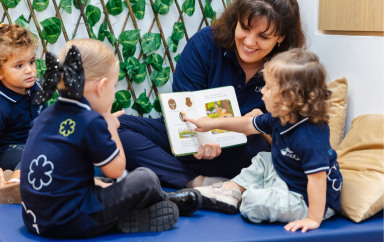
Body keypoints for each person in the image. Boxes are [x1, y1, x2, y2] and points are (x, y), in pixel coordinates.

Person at [19, 39, 201, 239]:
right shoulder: (90, 120)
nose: (113, 95)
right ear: (101, 87)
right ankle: (152, 204)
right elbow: (117, 169)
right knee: (145, 179)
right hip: (72, 221)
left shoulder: (47, 115)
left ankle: (131, 213)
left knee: (102, 181)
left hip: (36, 220)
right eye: (113, 87)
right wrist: (110, 125)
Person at [118, 0, 306, 188]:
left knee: (259, 147)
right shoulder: (205, 43)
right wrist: (206, 139)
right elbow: (183, 110)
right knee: (114, 127)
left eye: (263, 37)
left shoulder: (290, 70)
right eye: (245, 28)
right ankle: (199, 182)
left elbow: (294, 141)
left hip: (243, 153)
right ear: (236, 19)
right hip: (190, 138)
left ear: (281, 37)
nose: (249, 42)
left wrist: (259, 128)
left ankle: (180, 175)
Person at [187, 49, 343, 233]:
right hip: (287, 178)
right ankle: (232, 189)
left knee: (252, 203)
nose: (262, 90)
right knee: (264, 159)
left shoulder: (310, 136)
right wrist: (211, 123)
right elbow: (246, 124)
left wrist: (313, 219)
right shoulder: (281, 117)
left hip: (308, 200)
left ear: (288, 97)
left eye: (268, 87)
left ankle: (244, 195)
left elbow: (317, 180)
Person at [0, 23, 45, 204]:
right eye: (19, 65)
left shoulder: (35, 88)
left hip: (33, 143)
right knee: (34, 151)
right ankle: (13, 185)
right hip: (7, 149)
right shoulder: (2, 103)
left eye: (31, 62)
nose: (29, 70)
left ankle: (21, 172)